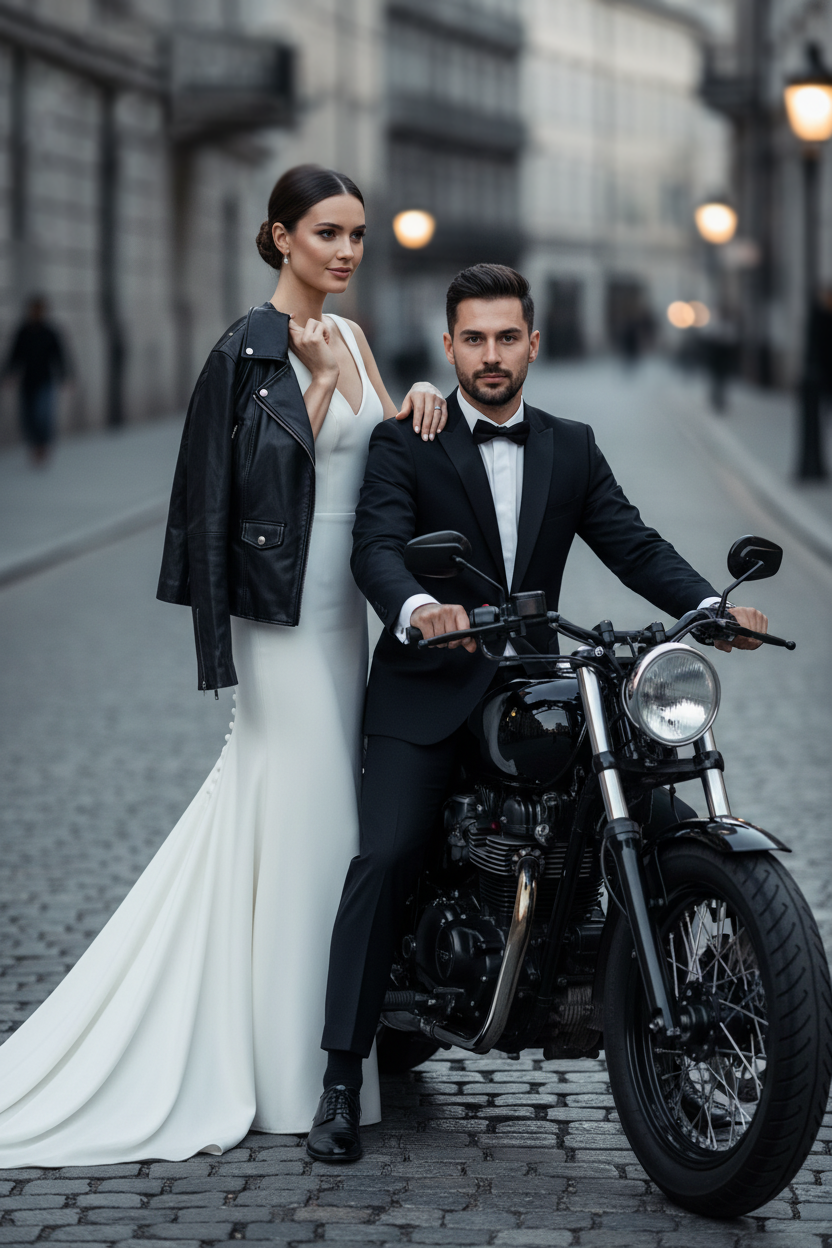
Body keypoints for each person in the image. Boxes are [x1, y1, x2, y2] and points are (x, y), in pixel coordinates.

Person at [0, 164, 448, 1167]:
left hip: (352, 615)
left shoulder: (359, 337)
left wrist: (417, 397)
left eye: (357, 234)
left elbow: (383, 460)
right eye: (325, 232)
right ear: (279, 237)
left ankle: (323, 1051)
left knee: (321, 817)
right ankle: (301, 1077)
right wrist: (318, 391)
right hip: (281, 615)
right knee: (315, 818)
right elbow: (216, 497)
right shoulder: (246, 349)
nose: (344, 250)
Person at [307, 263, 770, 1163]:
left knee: (653, 810)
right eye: (472, 339)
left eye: (506, 337)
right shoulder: (409, 441)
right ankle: (337, 1075)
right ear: (449, 347)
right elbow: (377, 548)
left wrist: (711, 609)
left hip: (534, 689)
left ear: (534, 344)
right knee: (387, 853)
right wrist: (417, 612)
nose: (490, 355)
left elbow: (632, 542)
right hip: (428, 690)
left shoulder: (571, 444)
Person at [2, 295, 68, 464]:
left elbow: (59, 354)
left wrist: (65, 375)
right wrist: (7, 374)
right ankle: (35, 445)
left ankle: (43, 445)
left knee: (43, 415)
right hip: (28, 381)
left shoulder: (49, 332)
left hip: (45, 379)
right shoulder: (23, 332)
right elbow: (14, 355)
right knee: (28, 417)